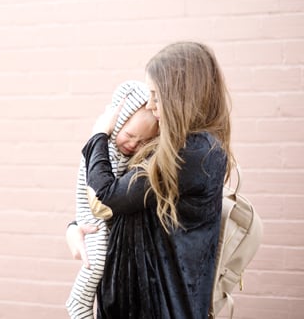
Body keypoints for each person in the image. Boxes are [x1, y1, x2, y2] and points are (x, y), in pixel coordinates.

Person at [68, 41, 234, 319]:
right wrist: (75, 227)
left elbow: (109, 196)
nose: (152, 105)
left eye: (157, 95)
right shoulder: (172, 146)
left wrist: (98, 135)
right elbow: (125, 201)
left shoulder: (195, 153)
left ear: (181, 95)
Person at [66, 81, 158, 319]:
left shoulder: (147, 162)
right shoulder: (103, 149)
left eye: (143, 141)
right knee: (93, 267)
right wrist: (73, 227)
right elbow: (104, 200)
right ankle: (78, 305)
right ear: (116, 124)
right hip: (95, 223)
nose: (133, 145)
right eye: (129, 135)